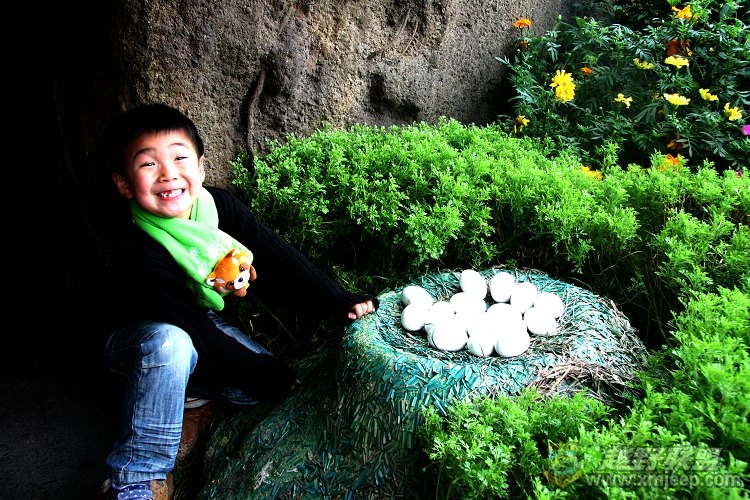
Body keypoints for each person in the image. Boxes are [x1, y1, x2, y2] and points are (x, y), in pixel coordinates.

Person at [97, 103, 379, 500]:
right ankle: (137, 476)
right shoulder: (141, 247)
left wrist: (337, 299)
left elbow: (275, 253)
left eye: (179, 158)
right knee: (174, 345)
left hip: (200, 326)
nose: (168, 173)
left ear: (201, 168)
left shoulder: (217, 206)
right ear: (124, 184)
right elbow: (189, 326)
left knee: (261, 389)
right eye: (148, 164)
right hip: (140, 342)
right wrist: (256, 367)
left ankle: (191, 397)